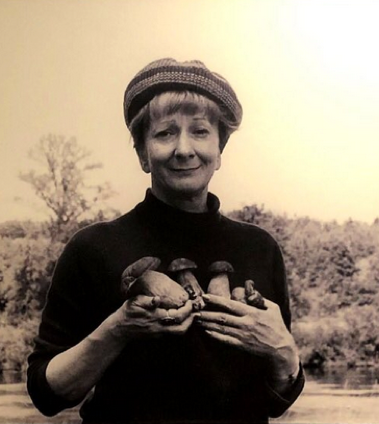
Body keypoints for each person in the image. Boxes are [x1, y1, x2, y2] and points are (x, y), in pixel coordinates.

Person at [27, 58, 305, 424]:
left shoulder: (260, 247)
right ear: (142, 153)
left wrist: (282, 350)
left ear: (220, 150)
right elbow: (46, 394)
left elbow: (276, 401)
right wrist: (118, 329)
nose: (184, 149)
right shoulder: (92, 248)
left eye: (200, 131)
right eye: (165, 134)